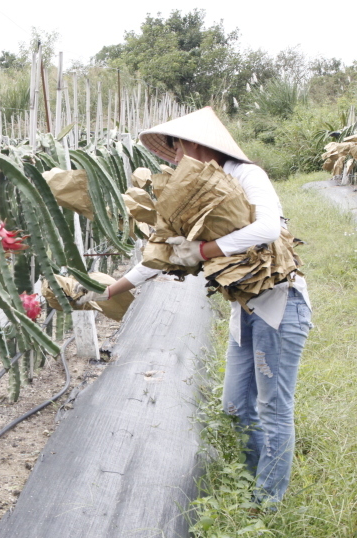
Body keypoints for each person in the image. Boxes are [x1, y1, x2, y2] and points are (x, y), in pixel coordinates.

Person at [79, 107, 312, 506]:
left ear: (202, 145)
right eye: (171, 148)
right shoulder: (192, 193)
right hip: (247, 309)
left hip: (279, 306)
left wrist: (203, 249)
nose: (174, 156)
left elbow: (269, 227)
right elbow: (158, 256)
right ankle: (250, 480)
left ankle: (266, 503)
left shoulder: (245, 175)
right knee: (237, 406)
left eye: (179, 145)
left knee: (273, 406)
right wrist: (104, 291)